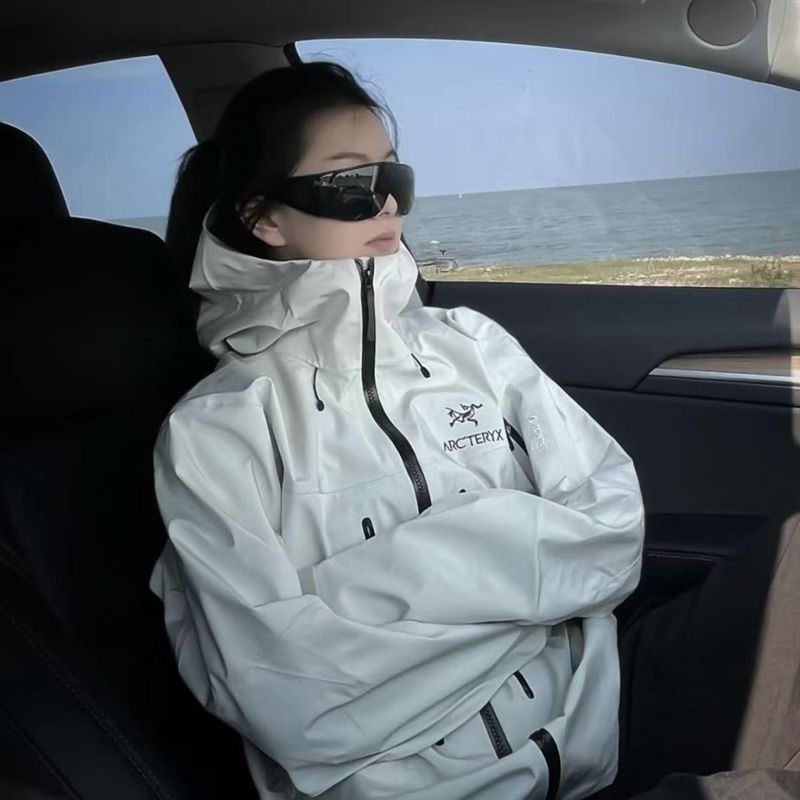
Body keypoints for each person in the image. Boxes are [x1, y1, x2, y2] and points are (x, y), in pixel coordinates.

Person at [148, 61, 646, 799]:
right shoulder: (215, 430)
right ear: (264, 218)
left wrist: (363, 598)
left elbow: (614, 530)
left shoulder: (473, 344)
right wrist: (531, 595)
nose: (385, 202)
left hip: (598, 731)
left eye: (394, 177)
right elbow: (292, 696)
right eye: (352, 182)